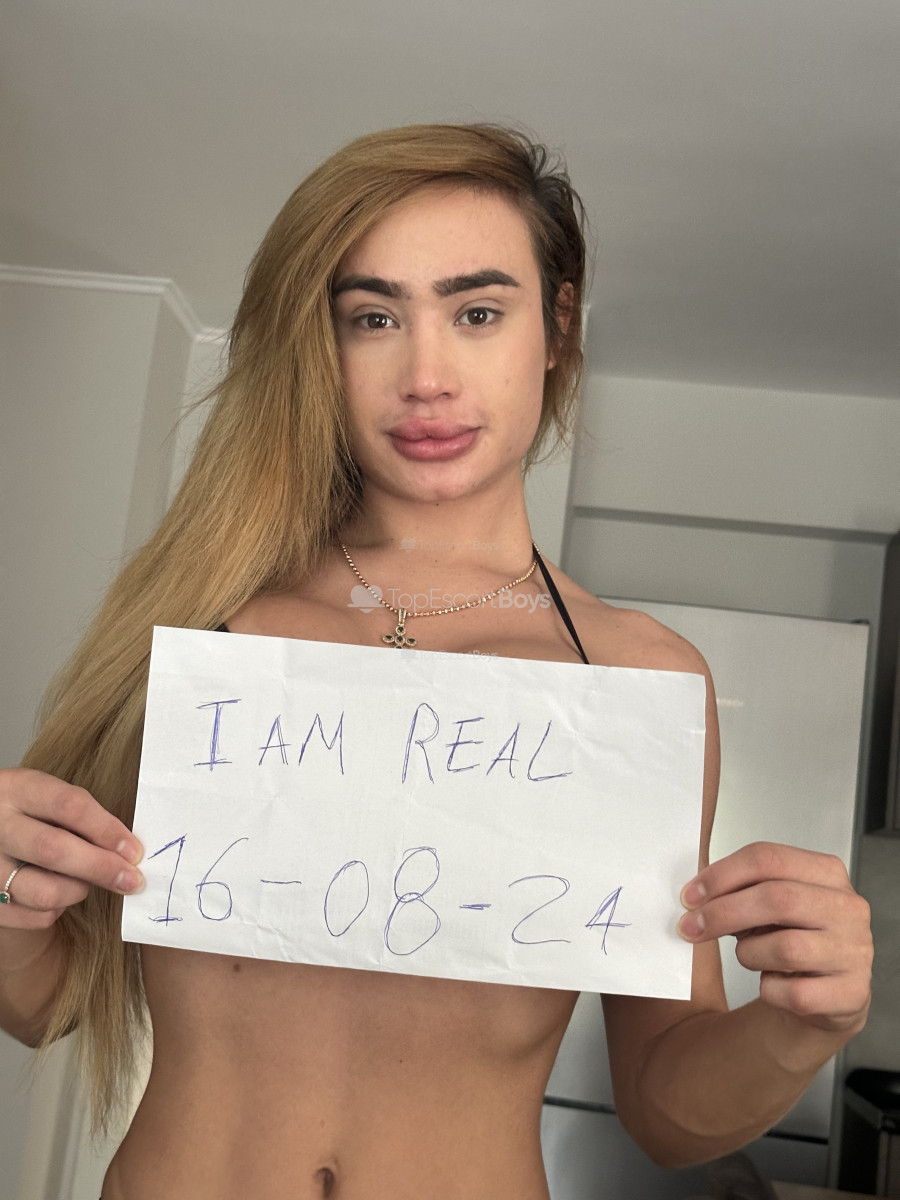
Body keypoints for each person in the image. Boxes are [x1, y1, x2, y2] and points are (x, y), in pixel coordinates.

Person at [0, 124, 873, 1200]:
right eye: (374, 318)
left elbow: (664, 1111)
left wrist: (801, 1026)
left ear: (556, 327)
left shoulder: (639, 683)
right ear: (322, 347)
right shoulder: (210, 627)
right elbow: (52, 1004)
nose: (425, 376)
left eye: (476, 312)